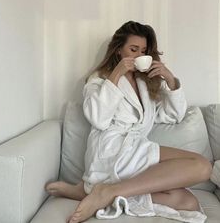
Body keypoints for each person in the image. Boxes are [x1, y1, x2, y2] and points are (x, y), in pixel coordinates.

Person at [46, 21, 212, 223]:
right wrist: (117, 73)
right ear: (118, 50)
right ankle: (106, 192)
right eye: (133, 49)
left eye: (143, 51)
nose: (139, 56)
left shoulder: (145, 84)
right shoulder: (99, 80)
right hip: (113, 151)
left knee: (187, 202)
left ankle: (100, 193)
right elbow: (98, 118)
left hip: (135, 152)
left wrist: (169, 79)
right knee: (202, 166)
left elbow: (173, 115)